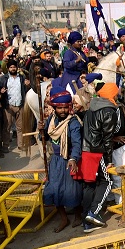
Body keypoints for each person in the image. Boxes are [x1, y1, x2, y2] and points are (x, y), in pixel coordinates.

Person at [81, 82, 125, 233]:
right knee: (107, 181)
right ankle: (93, 213)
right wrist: (108, 161)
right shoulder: (109, 111)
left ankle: (86, 222)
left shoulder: (92, 106)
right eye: (115, 93)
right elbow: (107, 139)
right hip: (97, 150)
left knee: (90, 185)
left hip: (86, 149)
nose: (117, 95)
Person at [41, 87, 83, 233]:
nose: (63, 111)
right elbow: (46, 137)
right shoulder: (50, 120)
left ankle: (78, 215)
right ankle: (63, 218)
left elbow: (78, 143)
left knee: (72, 190)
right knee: (54, 189)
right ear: (54, 108)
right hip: (56, 161)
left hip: (70, 160)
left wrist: (73, 159)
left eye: (66, 107)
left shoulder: (73, 123)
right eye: (60, 108)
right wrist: (41, 130)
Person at [1, 60, 28, 152]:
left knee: (20, 127)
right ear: (8, 68)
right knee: (7, 126)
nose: (13, 69)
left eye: (14, 67)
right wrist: (1, 92)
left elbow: (24, 90)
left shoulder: (21, 78)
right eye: (11, 67)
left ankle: (20, 145)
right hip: (9, 106)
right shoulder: (4, 78)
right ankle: (5, 145)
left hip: (19, 105)